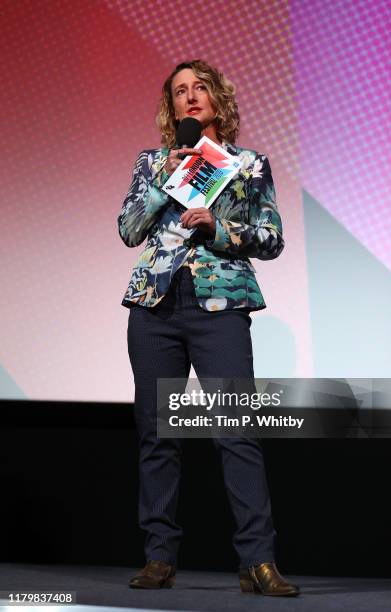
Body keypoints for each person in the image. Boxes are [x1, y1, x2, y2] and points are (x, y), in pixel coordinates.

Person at [118, 59, 299, 597]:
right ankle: (158, 558)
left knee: (235, 432)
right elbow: (129, 230)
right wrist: (164, 186)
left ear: (217, 99)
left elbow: (271, 238)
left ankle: (258, 562)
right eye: (180, 91)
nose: (190, 97)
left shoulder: (247, 164)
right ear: (171, 107)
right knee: (156, 435)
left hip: (219, 307)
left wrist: (220, 227)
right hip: (155, 307)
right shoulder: (153, 162)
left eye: (200, 88)